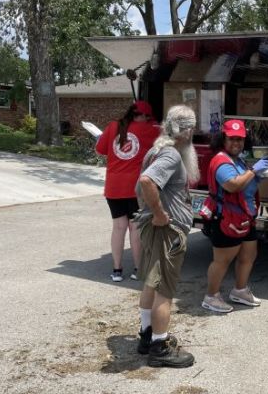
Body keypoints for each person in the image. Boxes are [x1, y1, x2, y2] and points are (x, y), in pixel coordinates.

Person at [134, 104, 198, 368]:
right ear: (187, 130)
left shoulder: (156, 149)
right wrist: (160, 213)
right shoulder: (171, 154)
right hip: (166, 232)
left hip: (156, 229)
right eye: (193, 128)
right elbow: (148, 182)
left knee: (151, 282)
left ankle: (147, 334)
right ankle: (160, 347)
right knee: (165, 290)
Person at [201, 120, 268, 313]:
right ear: (223, 139)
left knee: (249, 255)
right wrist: (253, 171)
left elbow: (246, 184)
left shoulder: (237, 160)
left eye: (240, 139)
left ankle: (240, 290)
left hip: (244, 217)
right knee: (222, 260)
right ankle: (211, 296)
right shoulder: (221, 160)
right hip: (226, 218)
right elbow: (233, 184)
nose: (236, 143)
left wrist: (259, 176)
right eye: (232, 139)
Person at [95, 100, 160, 282]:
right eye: (147, 117)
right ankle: (138, 269)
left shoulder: (113, 126)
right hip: (135, 188)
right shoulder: (150, 129)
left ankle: (117, 270)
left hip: (113, 187)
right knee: (135, 228)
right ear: (143, 116)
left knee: (118, 227)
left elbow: (100, 149)